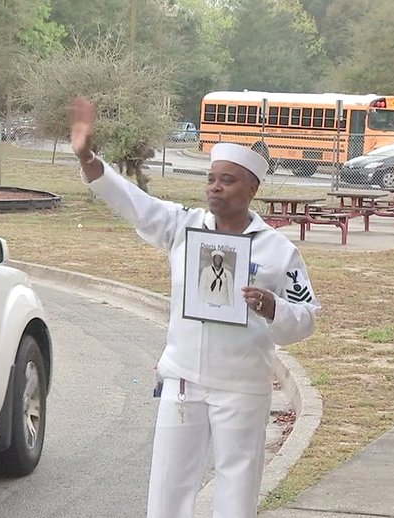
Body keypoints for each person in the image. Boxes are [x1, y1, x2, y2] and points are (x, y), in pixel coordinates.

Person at [69, 96, 320, 518]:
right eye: (212, 179)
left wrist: (272, 306)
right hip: (184, 381)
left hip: (241, 386)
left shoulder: (279, 251)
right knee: (168, 488)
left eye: (228, 180)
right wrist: (89, 158)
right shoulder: (184, 227)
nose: (215, 187)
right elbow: (132, 202)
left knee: (236, 491)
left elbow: (307, 317)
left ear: (253, 189)